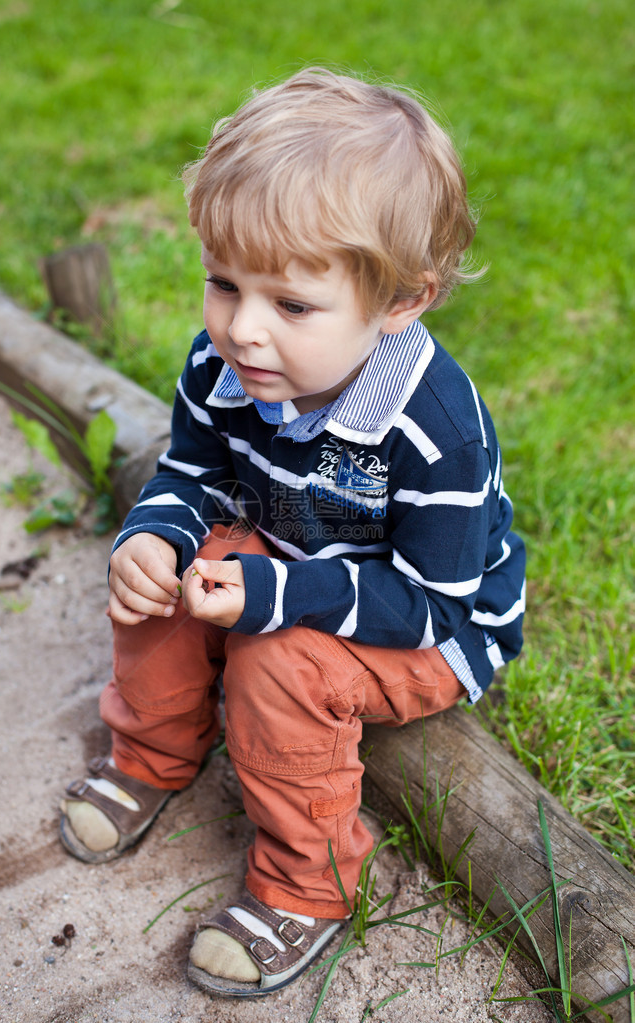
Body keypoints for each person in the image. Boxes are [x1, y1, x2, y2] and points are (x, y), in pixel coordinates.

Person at [59, 67, 526, 998]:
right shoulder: (228, 364)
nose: (243, 330)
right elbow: (193, 473)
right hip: (295, 558)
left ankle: (307, 884)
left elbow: (431, 599)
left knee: (279, 659)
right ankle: (153, 754)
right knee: (167, 573)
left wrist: (272, 598)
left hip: (432, 624)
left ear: (400, 303)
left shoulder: (433, 425)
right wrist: (154, 534)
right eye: (223, 284)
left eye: (293, 305)